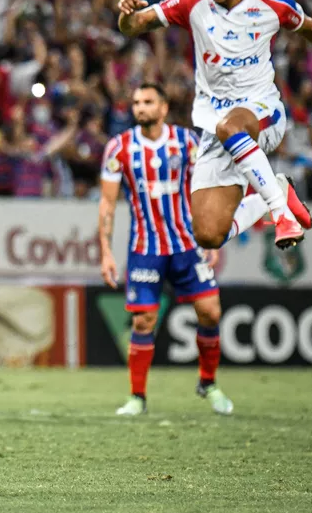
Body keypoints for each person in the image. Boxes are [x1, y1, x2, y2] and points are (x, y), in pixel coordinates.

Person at [117, 0, 312, 250]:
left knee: (230, 126)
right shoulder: (192, 5)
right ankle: (278, 191)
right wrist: (127, 16)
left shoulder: (272, 5)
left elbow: (307, 26)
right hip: (216, 130)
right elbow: (135, 26)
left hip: (263, 114)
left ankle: (281, 214)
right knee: (207, 234)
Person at [99, 84, 232, 416]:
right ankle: (137, 397)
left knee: (210, 311)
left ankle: (208, 383)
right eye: (136, 102)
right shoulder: (119, 148)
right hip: (146, 248)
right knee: (144, 321)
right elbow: (107, 204)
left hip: (187, 244)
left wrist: (210, 236)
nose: (140, 108)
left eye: (148, 102)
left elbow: (206, 188)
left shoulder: (186, 142)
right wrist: (105, 252)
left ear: (163, 107)